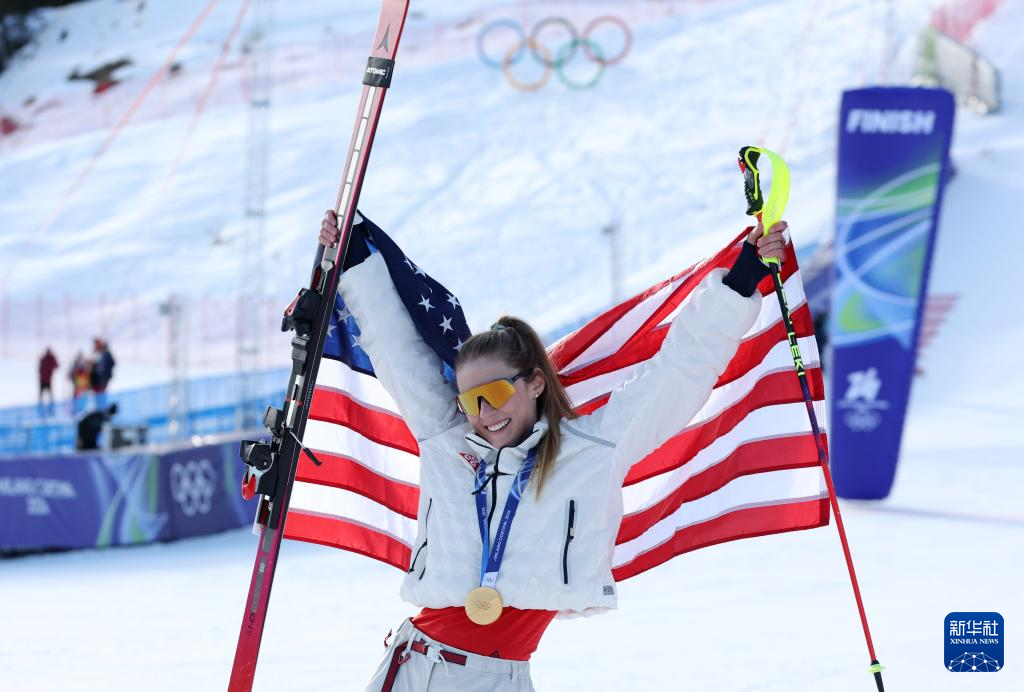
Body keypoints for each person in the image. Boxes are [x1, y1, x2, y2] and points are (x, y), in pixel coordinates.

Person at [319, 209, 788, 691]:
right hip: (411, 668)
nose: (484, 412)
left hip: (498, 680)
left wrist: (742, 279)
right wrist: (352, 255)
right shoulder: (446, 440)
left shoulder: (591, 450)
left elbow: (677, 373)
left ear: (536, 383)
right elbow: (396, 350)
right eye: (470, 400)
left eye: (496, 393)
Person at [89, 338, 116, 408]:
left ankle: (102, 409)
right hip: (95, 380)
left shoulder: (105, 354)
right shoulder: (96, 353)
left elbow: (111, 364)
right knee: (97, 396)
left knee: (101, 395)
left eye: (97, 344)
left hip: (101, 380)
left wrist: (105, 374)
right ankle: (99, 408)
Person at [38, 347, 59, 416]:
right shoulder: (48, 359)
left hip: (44, 380)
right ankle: (46, 408)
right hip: (45, 380)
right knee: (46, 395)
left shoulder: (46, 358)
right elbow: (57, 365)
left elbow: (57, 366)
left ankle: (46, 408)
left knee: (45, 395)